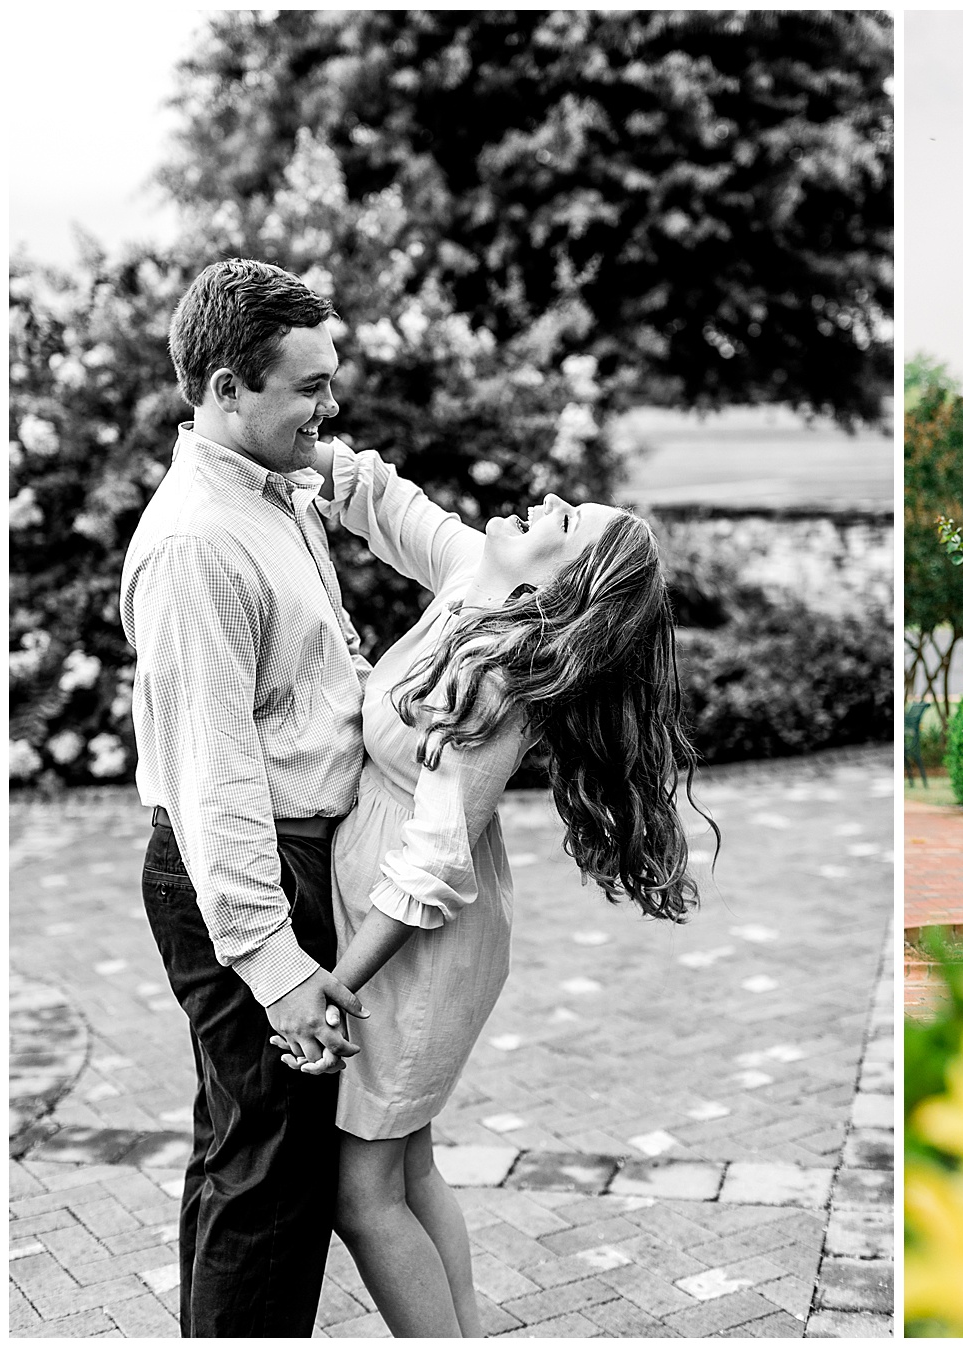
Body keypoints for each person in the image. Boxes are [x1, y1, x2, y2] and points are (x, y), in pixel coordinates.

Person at [271, 434, 711, 1336]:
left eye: (566, 523)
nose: (546, 504)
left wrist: (337, 987)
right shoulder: (479, 572)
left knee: (362, 1195)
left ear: (563, 589)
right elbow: (389, 507)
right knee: (408, 1163)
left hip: (419, 939)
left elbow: (434, 865)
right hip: (381, 901)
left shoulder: (502, 681)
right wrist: (313, 432)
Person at [120, 258, 369, 1336]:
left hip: (292, 857)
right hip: (244, 872)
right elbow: (212, 779)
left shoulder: (272, 494)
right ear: (225, 389)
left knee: (260, 1164)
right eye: (308, 386)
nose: (331, 404)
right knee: (267, 1182)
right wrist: (276, 968)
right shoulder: (194, 544)